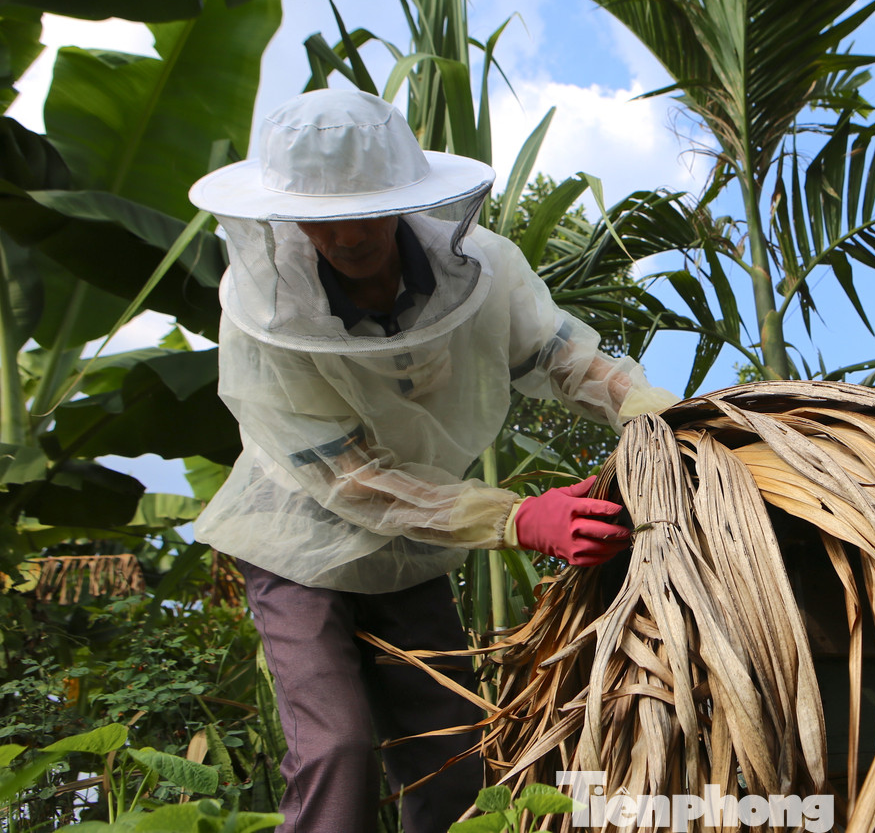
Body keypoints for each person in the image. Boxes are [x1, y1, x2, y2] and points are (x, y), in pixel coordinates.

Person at [187, 89, 678, 833]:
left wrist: (656, 413)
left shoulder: (481, 272)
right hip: (298, 542)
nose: (345, 235)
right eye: (321, 217)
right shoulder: (266, 312)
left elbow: (562, 354)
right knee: (338, 751)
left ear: (404, 197)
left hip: (410, 551)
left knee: (452, 753)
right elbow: (347, 477)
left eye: (364, 209)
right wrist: (515, 517)